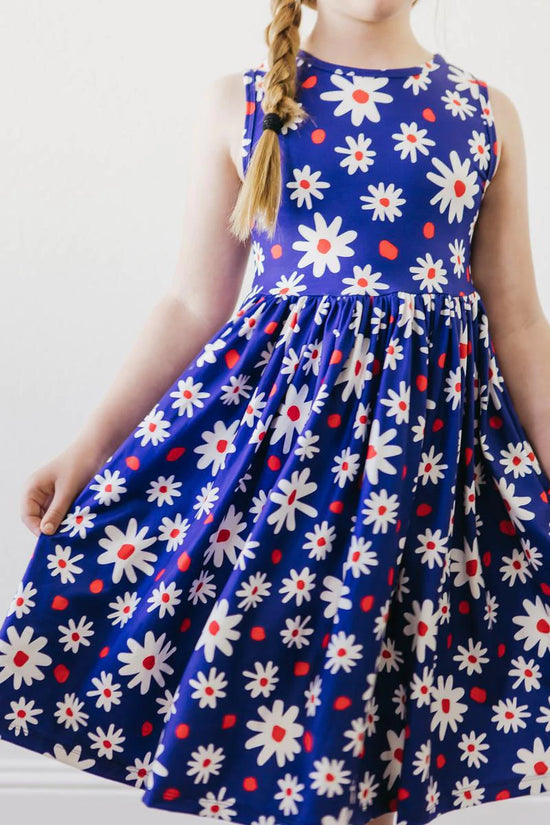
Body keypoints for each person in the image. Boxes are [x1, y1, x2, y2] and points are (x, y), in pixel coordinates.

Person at [1, 1, 550, 823]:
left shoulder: (485, 112)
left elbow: (517, 317)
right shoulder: (245, 100)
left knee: (394, 711)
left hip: (428, 478)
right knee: (285, 705)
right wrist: (90, 445)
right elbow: (193, 303)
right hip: (288, 475)